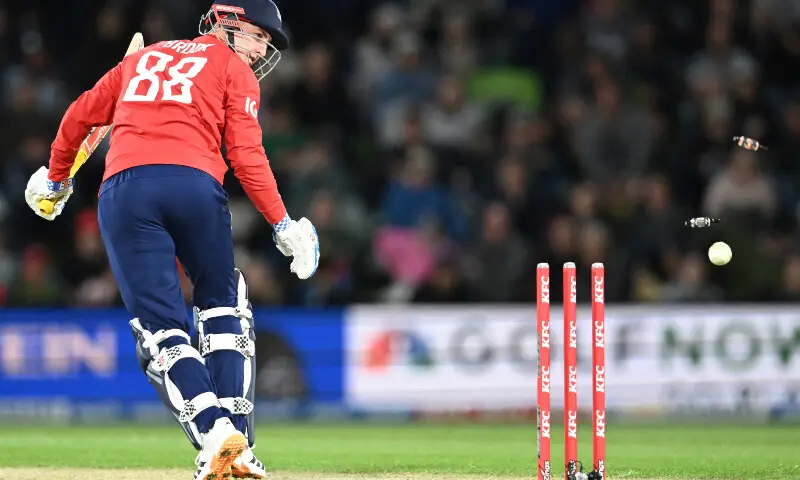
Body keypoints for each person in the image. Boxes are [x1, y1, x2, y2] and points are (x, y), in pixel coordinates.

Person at [23, 1, 319, 479]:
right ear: (228, 24)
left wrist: (57, 180)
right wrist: (283, 223)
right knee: (225, 305)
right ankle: (235, 436)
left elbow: (81, 117)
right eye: (260, 36)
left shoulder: (140, 59)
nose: (263, 48)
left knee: (160, 328)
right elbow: (244, 153)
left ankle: (218, 435)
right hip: (194, 186)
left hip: (125, 190)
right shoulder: (231, 67)